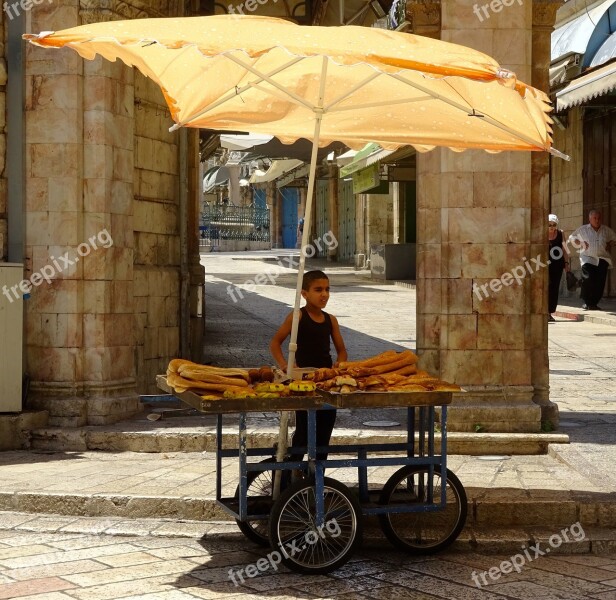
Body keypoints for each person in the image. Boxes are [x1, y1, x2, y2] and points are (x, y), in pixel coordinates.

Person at [270, 269, 347, 463]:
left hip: (326, 384)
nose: (324, 294)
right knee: (303, 432)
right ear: (304, 294)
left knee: (324, 433)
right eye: (318, 289)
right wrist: (286, 365)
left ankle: (317, 478)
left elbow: (342, 350)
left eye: (327, 289)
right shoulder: (297, 316)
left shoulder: (331, 320)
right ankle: (293, 472)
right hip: (303, 385)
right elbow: (275, 343)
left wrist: (340, 363)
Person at [568, 209, 616, 310]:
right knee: (588, 278)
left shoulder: (606, 230)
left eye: (599, 218)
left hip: (603, 258)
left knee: (600, 282)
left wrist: (610, 243)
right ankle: (586, 301)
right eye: (595, 218)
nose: (597, 220)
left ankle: (593, 303)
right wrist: (580, 243)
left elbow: (614, 239)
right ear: (590, 219)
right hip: (588, 258)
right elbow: (572, 237)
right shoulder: (583, 229)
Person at [547, 214, 570, 322]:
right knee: (545, 288)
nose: (551, 227)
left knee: (554, 287)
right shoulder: (542, 234)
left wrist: (566, 263)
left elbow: (565, 249)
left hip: (557, 265)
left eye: (553, 225)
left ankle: (549, 312)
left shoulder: (561, 233)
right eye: (549, 225)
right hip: (544, 265)